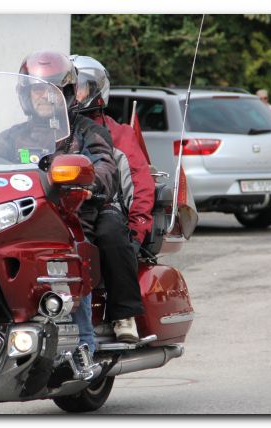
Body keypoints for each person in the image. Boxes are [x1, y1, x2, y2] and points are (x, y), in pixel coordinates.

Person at [0, 51, 119, 352]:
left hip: (68, 217)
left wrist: (89, 180)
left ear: (68, 93)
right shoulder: (10, 137)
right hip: (19, 219)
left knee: (73, 251)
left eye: (53, 90)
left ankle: (83, 345)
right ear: (26, 95)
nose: (45, 97)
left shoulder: (86, 132)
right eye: (37, 89)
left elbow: (105, 166)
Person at [71, 55, 153, 342]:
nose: (73, 94)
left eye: (79, 87)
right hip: (58, 207)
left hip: (104, 204)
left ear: (95, 90)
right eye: (68, 87)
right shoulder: (48, 129)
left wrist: (137, 231)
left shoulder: (118, 133)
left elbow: (141, 186)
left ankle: (123, 315)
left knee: (111, 232)